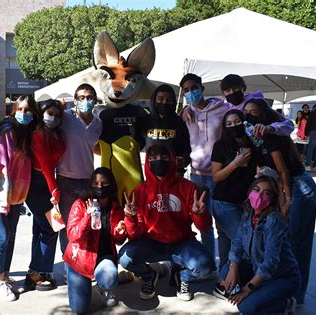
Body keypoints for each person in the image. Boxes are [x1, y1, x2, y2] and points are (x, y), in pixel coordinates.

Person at [243, 98, 316, 306]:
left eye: (254, 112)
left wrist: (286, 201)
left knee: (297, 243)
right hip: (281, 186)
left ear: (264, 114)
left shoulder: (270, 134)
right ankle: (285, 292)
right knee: (282, 242)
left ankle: (296, 296)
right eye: (246, 112)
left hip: (297, 186)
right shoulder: (253, 137)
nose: (249, 116)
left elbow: (284, 171)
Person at [119, 144, 215, 302]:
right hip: (152, 242)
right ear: (147, 162)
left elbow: (204, 227)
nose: (159, 161)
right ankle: (150, 276)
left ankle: (182, 276)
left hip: (181, 243)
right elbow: (135, 234)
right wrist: (130, 217)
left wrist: (199, 213)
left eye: (163, 157)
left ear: (171, 160)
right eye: (154, 158)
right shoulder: (139, 192)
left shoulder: (188, 187)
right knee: (125, 258)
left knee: (207, 266)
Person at [0, 95, 37, 301]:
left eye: (28, 110)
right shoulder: (8, 130)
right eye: (19, 109)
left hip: (15, 195)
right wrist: (3, 200)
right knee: (2, 236)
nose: (23, 114)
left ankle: (6, 276)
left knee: (10, 236)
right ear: (13, 110)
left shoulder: (28, 133)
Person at [213, 176, 301, 315]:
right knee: (226, 271)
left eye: (266, 193)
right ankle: (262, 294)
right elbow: (236, 243)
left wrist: (247, 290)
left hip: (283, 277)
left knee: (246, 307)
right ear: (250, 192)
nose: (259, 195)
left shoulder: (274, 221)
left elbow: (270, 263)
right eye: (257, 189)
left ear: (272, 198)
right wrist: (233, 268)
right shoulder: (248, 214)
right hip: (258, 269)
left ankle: (285, 304)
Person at [63, 167, 127, 313]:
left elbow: (119, 240)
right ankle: (80, 283)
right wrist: (87, 216)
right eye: (96, 183)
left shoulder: (115, 207)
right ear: (90, 185)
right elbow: (72, 236)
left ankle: (104, 286)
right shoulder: (80, 204)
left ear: (111, 185)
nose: (99, 187)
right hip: (80, 260)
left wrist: (120, 230)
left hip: (103, 257)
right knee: (79, 310)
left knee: (109, 276)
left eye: (104, 183)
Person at [179, 73, 228, 262]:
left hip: (218, 174)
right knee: (203, 222)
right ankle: (209, 264)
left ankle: (226, 265)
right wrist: (184, 110)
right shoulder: (186, 113)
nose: (191, 92)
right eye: (186, 90)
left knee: (222, 221)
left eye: (194, 88)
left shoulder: (222, 109)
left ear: (202, 88)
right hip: (196, 175)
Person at [24, 99, 65, 291]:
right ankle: (41, 273)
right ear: (41, 113)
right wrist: (54, 190)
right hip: (38, 183)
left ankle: (35, 273)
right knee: (51, 228)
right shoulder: (39, 134)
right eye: (50, 113)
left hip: (45, 182)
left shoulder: (54, 133)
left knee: (41, 229)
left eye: (57, 115)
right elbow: (45, 164)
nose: (53, 118)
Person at [57, 84, 102, 254]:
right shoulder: (65, 117)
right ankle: (69, 261)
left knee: (87, 222)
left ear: (95, 101)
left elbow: (94, 147)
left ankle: (83, 261)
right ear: (75, 100)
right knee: (68, 224)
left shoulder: (98, 123)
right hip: (65, 178)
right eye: (81, 97)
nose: (86, 101)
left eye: (89, 97)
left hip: (88, 179)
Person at [211, 109, 257, 270]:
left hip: (244, 203)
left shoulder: (251, 143)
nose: (234, 126)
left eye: (237, 122)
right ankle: (233, 277)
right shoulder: (220, 145)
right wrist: (235, 163)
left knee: (225, 241)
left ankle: (224, 280)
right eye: (229, 124)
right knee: (245, 243)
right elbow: (216, 176)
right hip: (224, 203)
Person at [220, 74, 295, 137]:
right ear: (223, 94)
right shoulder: (227, 109)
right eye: (228, 90)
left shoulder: (256, 103)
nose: (232, 92)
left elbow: (288, 124)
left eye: (236, 88)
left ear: (244, 88)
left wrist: (270, 128)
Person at [145, 84, 191, 176]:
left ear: (173, 101)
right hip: (152, 172)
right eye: (161, 99)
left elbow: (187, 146)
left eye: (169, 100)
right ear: (154, 100)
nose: (164, 102)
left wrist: (184, 160)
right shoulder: (145, 121)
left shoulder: (179, 122)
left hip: (175, 172)